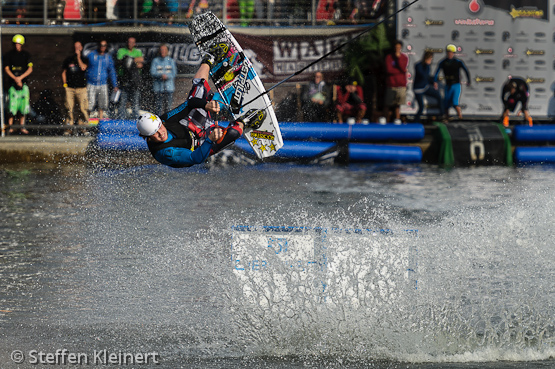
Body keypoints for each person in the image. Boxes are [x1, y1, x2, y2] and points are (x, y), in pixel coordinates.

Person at [136, 45, 264, 168]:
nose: (161, 133)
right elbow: (195, 158)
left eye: (159, 127)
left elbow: (189, 104)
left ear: (160, 122)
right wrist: (209, 139)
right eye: (155, 134)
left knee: (198, 91)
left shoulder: (164, 120)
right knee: (231, 133)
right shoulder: (165, 153)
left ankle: (209, 59)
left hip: (191, 126)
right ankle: (245, 122)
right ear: (147, 137)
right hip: (200, 146)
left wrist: (206, 105)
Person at [3, 34, 32, 135]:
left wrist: (20, 78)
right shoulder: (8, 55)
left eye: (19, 44)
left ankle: (22, 126)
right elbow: (6, 69)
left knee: (23, 106)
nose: (17, 46)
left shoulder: (26, 55)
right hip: (12, 85)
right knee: (12, 106)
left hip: (23, 84)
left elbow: (30, 68)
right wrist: (15, 78)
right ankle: (10, 127)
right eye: (15, 44)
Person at [433, 44, 471, 121]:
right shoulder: (443, 62)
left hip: (456, 85)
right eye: (448, 52)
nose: (450, 54)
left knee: (455, 102)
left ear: (454, 53)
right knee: (446, 103)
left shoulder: (458, 62)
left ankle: (460, 117)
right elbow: (436, 72)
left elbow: (466, 70)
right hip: (447, 85)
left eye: (451, 52)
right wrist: (434, 81)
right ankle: (447, 117)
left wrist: (469, 80)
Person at [86, 39, 118, 120]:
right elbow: (86, 67)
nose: (102, 47)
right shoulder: (91, 55)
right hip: (91, 83)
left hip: (103, 83)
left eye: (104, 45)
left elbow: (112, 71)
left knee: (102, 104)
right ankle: (86, 120)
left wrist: (115, 84)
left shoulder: (108, 57)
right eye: (101, 45)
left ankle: (101, 120)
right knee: (90, 104)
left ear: (106, 47)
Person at [61, 41, 89, 135]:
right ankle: (69, 127)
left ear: (81, 48)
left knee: (83, 108)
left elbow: (83, 68)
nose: (76, 49)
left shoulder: (84, 59)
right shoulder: (68, 60)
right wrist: (65, 84)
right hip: (70, 88)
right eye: (75, 47)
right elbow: (64, 72)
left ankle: (83, 127)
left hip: (81, 88)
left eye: (78, 47)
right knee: (69, 107)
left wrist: (78, 57)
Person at [116, 37, 144, 119]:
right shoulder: (121, 51)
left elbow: (141, 62)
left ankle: (136, 120)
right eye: (129, 42)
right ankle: (121, 120)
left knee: (135, 102)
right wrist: (134, 62)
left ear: (134, 44)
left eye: (132, 42)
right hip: (124, 80)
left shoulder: (138, 51)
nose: (130, 44)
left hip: (135, 81)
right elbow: (120, 60)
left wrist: (130, 60)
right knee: (122, 102)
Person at [413, 51, 444, 120]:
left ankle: (442, 115)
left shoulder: (428, 66)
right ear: (426, 58)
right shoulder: (418, 65)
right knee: (421, 107)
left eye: (431, 59)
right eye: (430, 59)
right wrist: (427, 65)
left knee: (438, 96)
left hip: (425, 87)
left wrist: (434, 82)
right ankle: (416, 121)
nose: (431, 61)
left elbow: (428, 77)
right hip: (418, 89)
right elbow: (423, 76)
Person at [385, 40, 408, 124]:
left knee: (398, 104)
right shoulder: (389, 57)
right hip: (391, 84)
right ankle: (387, 120)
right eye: (396, 47)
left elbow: (403, 68)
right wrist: (400, 71)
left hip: (401, 84)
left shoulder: (404, 57)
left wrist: (398, 59)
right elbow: (389, 70)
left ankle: (397, 119)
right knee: (389, 104)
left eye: (399, 47)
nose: (397, 49)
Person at [150, 44, 177, 115]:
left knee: (168, 107)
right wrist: (160, 75)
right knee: (158, 107)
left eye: (164, 50)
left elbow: (174, 73)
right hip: (158, 88)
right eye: (161, 50)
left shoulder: (171, 61)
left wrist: (167, 76)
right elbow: (152, 72)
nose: (163, 51)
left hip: (169, 88)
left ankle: (167, 123)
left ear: (167, 51)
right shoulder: (155, 61)